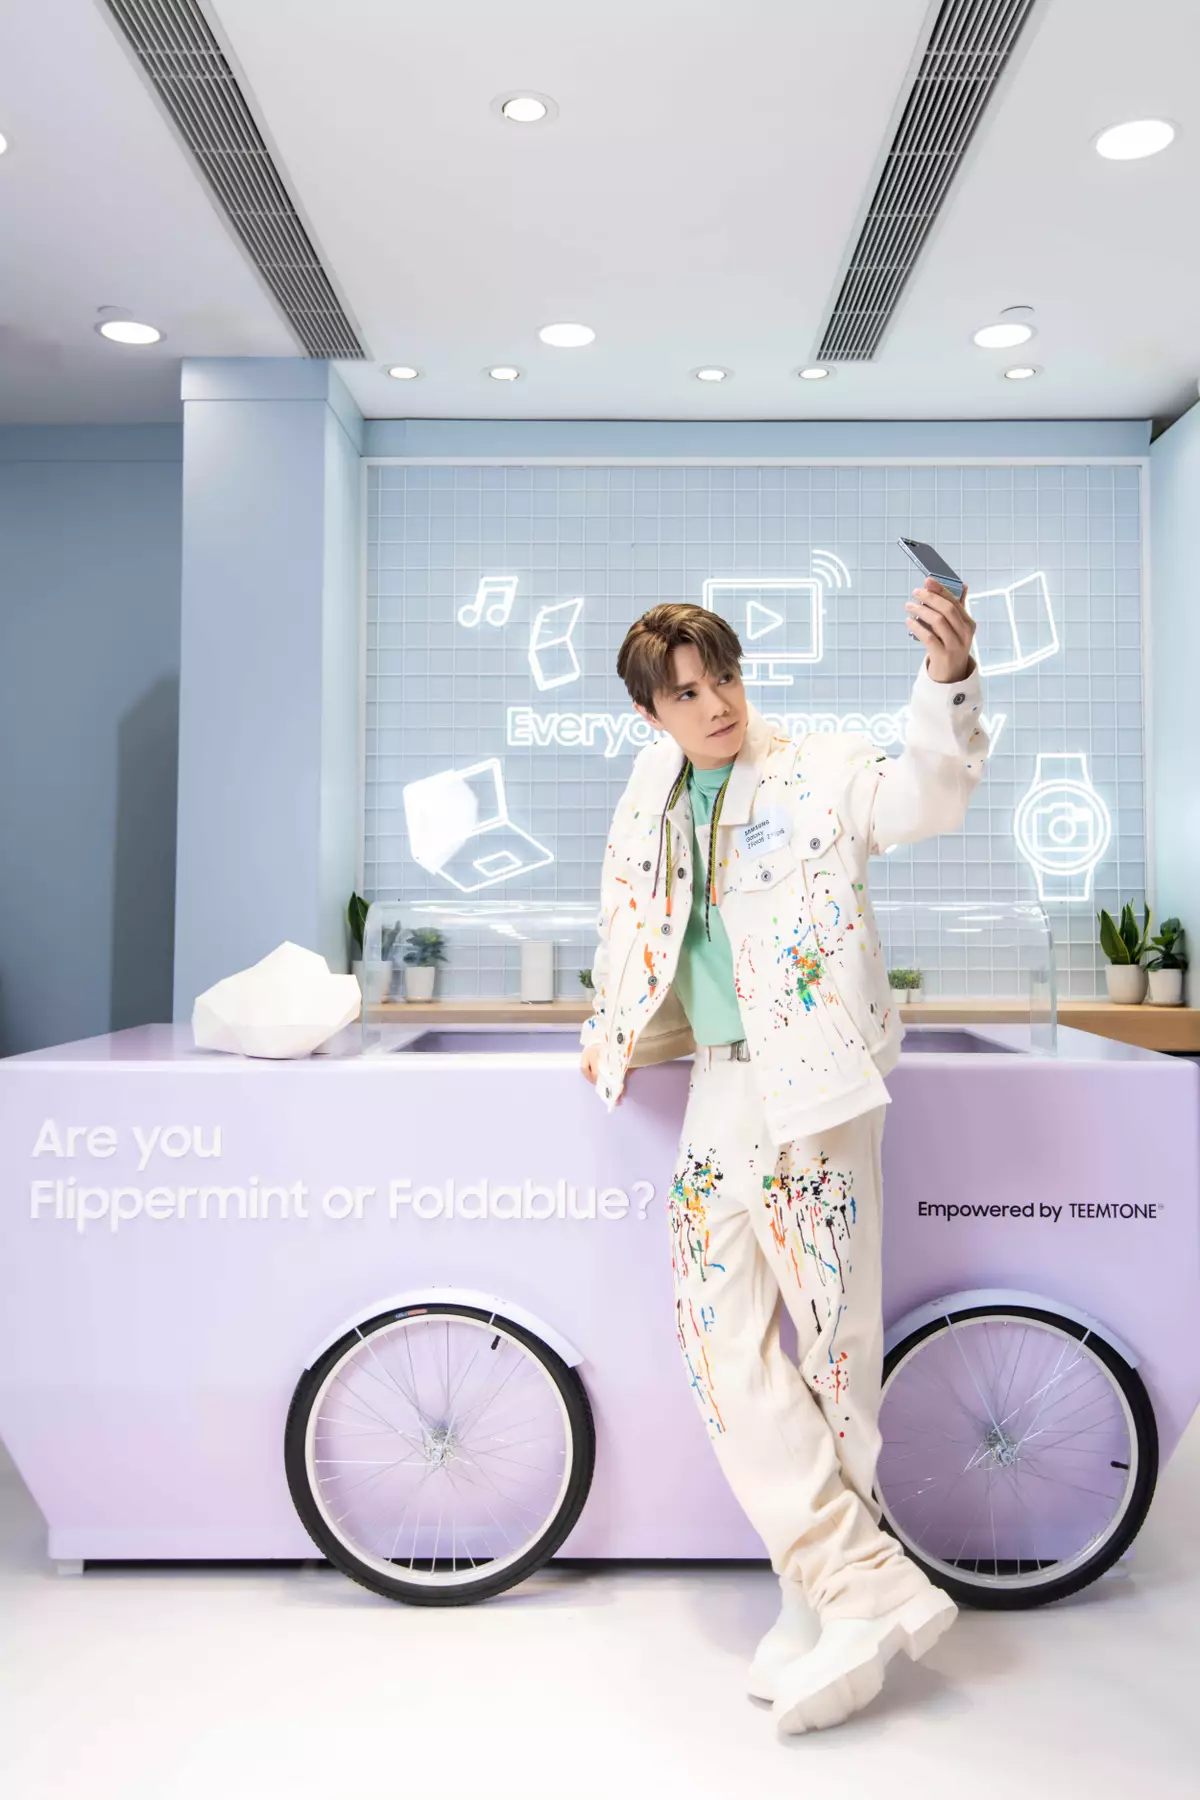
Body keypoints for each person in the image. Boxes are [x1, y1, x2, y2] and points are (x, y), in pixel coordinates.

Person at [579, 578, 989, 1735]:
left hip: (813, 1085)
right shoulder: (652, 788)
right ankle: (856, 1582)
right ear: (650, 714)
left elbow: (929, 795)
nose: (716, 705)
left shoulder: (820, 768)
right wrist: (608, 1027)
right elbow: (629, 916)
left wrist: (948, 680)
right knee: (716, 1341)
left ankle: (820, 1601)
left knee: (833, 1347)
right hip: (719, 1083)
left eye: (725, 678)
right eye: (686, 693)